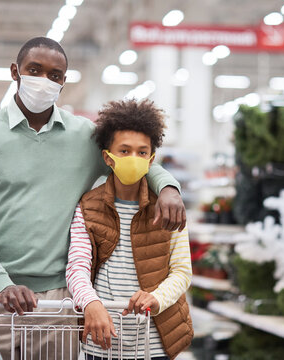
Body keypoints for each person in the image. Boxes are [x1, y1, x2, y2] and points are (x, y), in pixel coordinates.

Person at [0, 37, 186, 360]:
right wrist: (1, 282)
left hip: (57, 300)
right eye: (34, 70)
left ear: (63, 81)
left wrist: (169, 187)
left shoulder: (84, 138)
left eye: (55, 75)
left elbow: (134, 161)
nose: (44, 81)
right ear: (15, 72)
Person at [66, 99, 193, 360]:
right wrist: (90, 303)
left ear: (151, 159)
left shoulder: (169, 207)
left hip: (154, 344)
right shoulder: (89, 206)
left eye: (142, 152)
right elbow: (77, 266)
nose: (133, 159)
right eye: (124, 151)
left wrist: (156, 298)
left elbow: (182, 271)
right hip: (101, 341)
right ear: (107, 157)